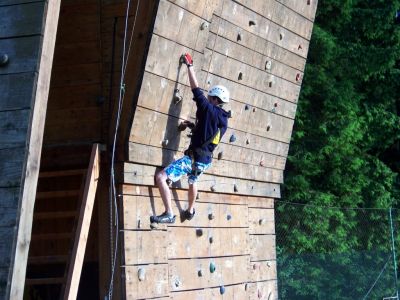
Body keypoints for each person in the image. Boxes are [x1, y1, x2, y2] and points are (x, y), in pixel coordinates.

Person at [150, 53, 231, 224]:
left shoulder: (209, 110)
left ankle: (169, 213)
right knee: (193, 179)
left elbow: (196, 91)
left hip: (193, 159)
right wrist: (194, 127)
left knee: (161, 177)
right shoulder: (223, 120)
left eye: (210, 98)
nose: (207, 99)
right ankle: (190, 210)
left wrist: (190, 65)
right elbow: (210, 135)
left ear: (215, 99)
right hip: (205, 161)